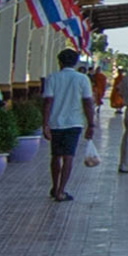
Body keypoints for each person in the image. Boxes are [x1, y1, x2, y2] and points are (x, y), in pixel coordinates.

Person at [40, 48, 94, 202]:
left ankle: (55, 186)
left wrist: (45, 124)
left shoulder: (53, 78)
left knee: (55, 155)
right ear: (76, 63)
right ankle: (61, 191)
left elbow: (48, 101)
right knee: (68, 157)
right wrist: (91, 124)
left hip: (55, 123)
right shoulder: (82, 79)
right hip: (74, 123)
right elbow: (88, 102)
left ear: (60, 62)